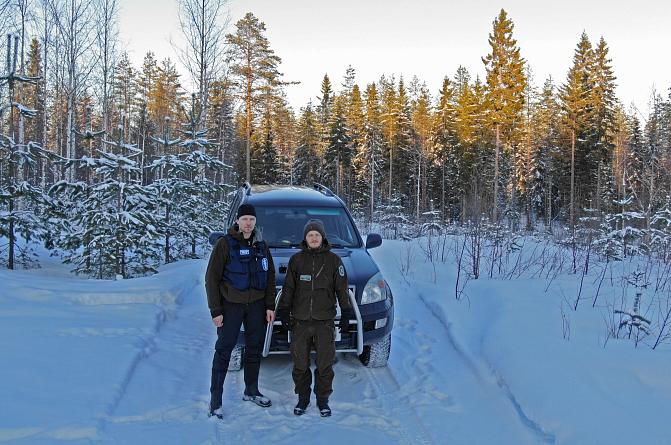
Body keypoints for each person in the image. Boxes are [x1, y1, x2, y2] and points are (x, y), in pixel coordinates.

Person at [204, 203, 276, 419]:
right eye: (244, 219)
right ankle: (215, 401)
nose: (248, 223)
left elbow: (270, 277)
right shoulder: (225, 244)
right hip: (230, 306)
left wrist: (270, 305)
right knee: (224, 351)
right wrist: (216, 310)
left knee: (254, 349)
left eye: (251, 220)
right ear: (237, 221)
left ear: (255, 222)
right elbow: (211, 279)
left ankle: (251, 390)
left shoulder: (261, 245)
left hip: (256, 306)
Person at [278, 219, 354, 417]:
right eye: (310, 235)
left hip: (324, 322)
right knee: (300, 364)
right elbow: (288, 289)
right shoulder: (296, 260)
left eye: (317, 235)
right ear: (305, 238)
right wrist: (284, 311)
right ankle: (303, 399)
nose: (313, 238)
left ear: (322, 237)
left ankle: (323, 400)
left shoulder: (334, 261)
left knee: (324, 364)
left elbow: (341, 289)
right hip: (300, 322)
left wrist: (346, 311)